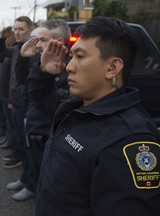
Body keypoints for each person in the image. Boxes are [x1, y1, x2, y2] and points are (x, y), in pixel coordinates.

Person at [35, 16, 160, 215]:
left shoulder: (128, 140)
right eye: (71, 56)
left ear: (112, 68)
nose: (68, 66)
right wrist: (43, 72)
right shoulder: (76, 107)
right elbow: (39, 99)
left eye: (80, 57)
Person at [19, 19, 71, 192]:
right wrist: (24, 58)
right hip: (35, 131)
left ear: (59, 43)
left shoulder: (66, 69)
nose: (37, 44)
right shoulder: (40, 62)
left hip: (48, 137)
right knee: (38, 177)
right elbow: (24, 84)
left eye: (42, 40)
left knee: (49, 185)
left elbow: (42, 100)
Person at [0, 16, 35, 201]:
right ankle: (25, 179)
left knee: (29, 148)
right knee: (21, 144)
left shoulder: (32, 50)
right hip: (15, 103)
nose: (17, 32)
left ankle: (31, 185)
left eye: (21, 29)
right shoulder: (17, 48)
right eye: (15, 29)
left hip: (25, 106)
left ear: (30, 30)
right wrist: (2, 38)